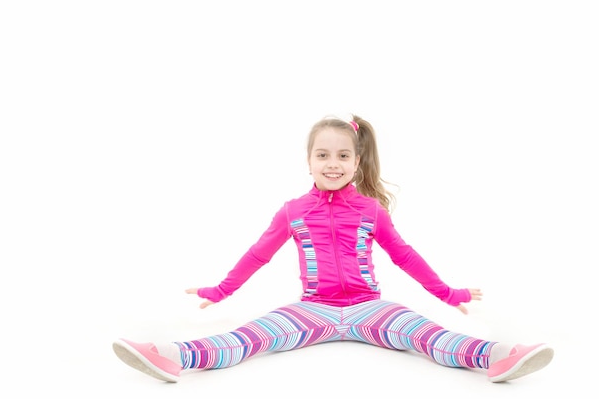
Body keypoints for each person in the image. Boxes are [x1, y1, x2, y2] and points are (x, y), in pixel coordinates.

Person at [112, 114, 554, 383]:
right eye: (323, 155)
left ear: (356, 162)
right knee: (249, 338)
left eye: (343, 156)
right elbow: (257, 254)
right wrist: (219, 291)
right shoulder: (292, 211)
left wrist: (449, 294)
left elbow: (405, 256)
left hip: (368, 308)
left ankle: (499, 357)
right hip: (314, 310)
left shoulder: (370, 211)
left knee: (429, 336)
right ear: (308, 161)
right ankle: (170, 356)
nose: (333, 164)